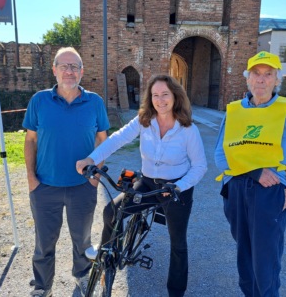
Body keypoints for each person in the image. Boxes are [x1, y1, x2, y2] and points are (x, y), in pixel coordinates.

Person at [76, 74, 207, 297]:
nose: (160, 100)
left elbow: (200, 166)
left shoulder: (187, 129)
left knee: (178, 243)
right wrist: (91, 159)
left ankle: (176, 292)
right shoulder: (144, 120)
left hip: (175, 189)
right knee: (111, 212)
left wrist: (179, 186)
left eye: (165, 94)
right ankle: (107, 258)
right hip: (147, 183)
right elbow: (118, 138)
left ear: (175, 96)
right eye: (155, 95)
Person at [214, 51, 286, 297]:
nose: (261, 80)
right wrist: (255, 171)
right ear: (247, 79)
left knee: (266, 262)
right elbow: (220, 156)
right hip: (236, 191)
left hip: (271, 195)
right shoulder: (234, 112)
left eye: (268, 74)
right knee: (244, 259)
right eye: (256, 74)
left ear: (276, 80)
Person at [23, 47, 110, 297]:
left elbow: (103, 139)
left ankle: (82, 276)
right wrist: (31, 179)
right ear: (54, 70)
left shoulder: (95, 102)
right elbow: (30, 140)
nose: (69, 71)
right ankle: (42, 286)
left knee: (82, 239)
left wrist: (95, 177)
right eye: (64, 66)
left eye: (74, 66)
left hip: (82, 187)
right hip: (45, 186)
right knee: (43, 243)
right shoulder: (39, 100)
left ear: (82, 71)